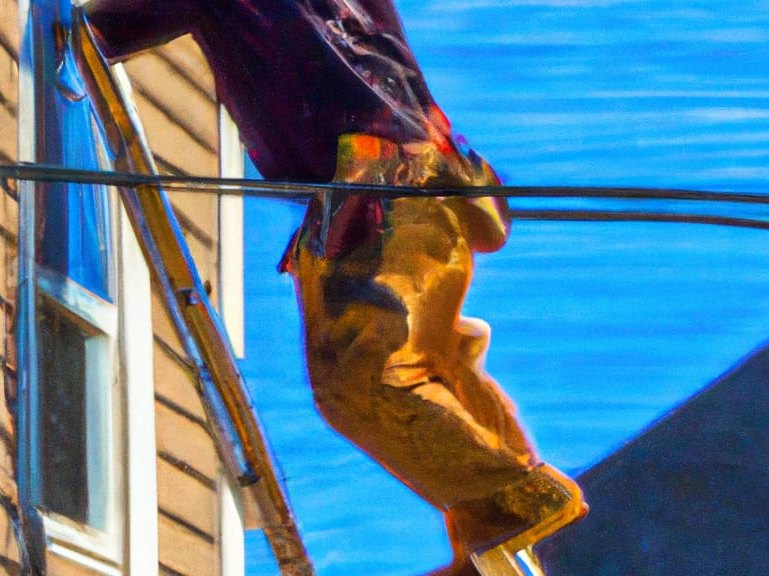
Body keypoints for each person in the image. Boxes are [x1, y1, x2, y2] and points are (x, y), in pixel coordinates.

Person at [83, 1, 587, 573]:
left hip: (372, 184)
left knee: (358, 379)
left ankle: (512, 499)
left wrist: (74, 27)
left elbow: (104, 28)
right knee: (433, 362)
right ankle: (490, 535)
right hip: (434, 183)